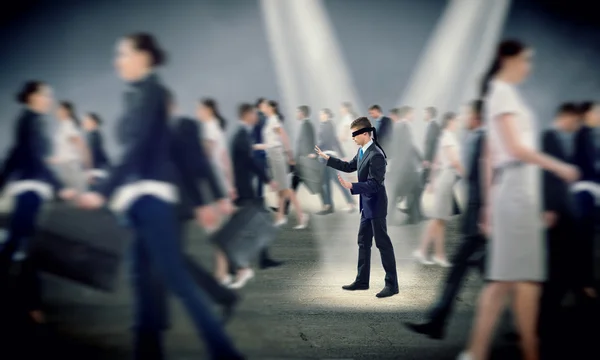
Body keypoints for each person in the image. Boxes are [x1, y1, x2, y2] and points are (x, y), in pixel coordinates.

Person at [76, 32, 244, 360]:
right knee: (142, 278)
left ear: (144, 57)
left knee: (175, 276)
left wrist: (103, 190)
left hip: (155, 200)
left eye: (123, 54)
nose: (117, 61)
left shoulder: (153, 92)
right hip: (139, 201)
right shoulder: (135, 96)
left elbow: (149, 151)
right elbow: (132, 150)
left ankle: (224, 351)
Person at [457, 39, 579, 360]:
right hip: (516, 187)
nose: (529, 66)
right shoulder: (502, 93)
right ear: (507, 59)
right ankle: (517, 350)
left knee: (513, 279)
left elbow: (488, 156)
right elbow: (514, 149)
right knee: (517, 279)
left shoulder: (500, 93)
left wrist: (486, 207)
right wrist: (560, 167)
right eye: (525, 59)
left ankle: (487, 350)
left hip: (514, 187)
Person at [404, 100, 486, 339]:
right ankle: (436, 321)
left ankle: (437, 321)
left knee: (494, 278)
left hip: (481, 220)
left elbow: (483, 177)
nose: (462, 117)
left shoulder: (481, 138)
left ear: (476, 117)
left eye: (466, 113)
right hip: (478, 218)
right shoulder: (468, 137)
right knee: (481, 274)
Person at [0, 81, 76, 326]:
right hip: (31, 189)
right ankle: (32, 304)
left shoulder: (28, 121)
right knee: (25, 246)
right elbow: (33, 158)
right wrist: (60, 186)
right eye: (45, 94)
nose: (49, 99)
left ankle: (30, 303)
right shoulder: (31, 121)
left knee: (19, 245)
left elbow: (15, 155)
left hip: (29, 188)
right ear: (32, 96)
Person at [168, 92, 240, 319]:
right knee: (166, 258)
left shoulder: (187, 127)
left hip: (177, 202)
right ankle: (221, 294)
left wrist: (212, 200)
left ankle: (222, 293)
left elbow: (201, 165)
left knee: (171, 257)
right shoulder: (151, 131)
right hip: (157, 201)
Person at [315, 117, 399, 298]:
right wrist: (328, 159)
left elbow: (375, 184)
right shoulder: (362, 151)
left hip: (376, 206)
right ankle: (362, 281)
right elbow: (349, 166)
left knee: (383, 244)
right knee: (363, 242)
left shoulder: (376, 155)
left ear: (365, 134)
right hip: (366, 206)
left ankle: (392, 285)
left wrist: (352, 186)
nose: (352, 138)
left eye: (355, 134)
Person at [538, 103, 590, 356]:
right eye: (574, 120)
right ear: (565, 117)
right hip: (557, 211)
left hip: (565, 209)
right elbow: (545, 175)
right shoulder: (549, 137)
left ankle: (570, 301)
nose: (575, 124)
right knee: (558, 265)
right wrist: (548, 208)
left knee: (563, 263)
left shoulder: (567, 138)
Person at [231, 103, 282, 277]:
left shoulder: (242, 135)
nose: (256, 116)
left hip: (244, 188)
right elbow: (248, 163)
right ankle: (241, 263)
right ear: (246, 114)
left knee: (253, 225)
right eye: (253, 114)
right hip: (243, 189)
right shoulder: (241, 136)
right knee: (251, 225)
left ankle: (261, 259)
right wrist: (268, 180)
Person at [196, 98, 238, 285]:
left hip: (212, 185)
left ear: (209, 110)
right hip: (218, 184)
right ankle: (224, 271)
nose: (197, 111)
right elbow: (224, 159)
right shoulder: (216, 128)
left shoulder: (209, 128)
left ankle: (223, 273)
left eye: (200, 108)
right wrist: (230, 185)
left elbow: (207, 155)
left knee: (216, 231)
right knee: (217, 230)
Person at [414, 112, 463, 267]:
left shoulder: (446, 136)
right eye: (456, 120)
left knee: (440, 220)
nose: (458, 123)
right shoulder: (448, 137)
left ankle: (439, 255)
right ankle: (422, 251)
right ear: (450, 121)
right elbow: (454, 161)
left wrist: (432, 181)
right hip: (447, 176)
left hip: (445, 177)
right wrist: (468, 174)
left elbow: (436, 161)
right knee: (437, 219)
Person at [254, 100, 308, 229]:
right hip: (272, 155)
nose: (263, 109)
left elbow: (284, 138)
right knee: (281, 189)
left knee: (287, 189)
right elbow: (270, 143)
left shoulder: (274, 120)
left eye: (266, 107)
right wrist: (257, 146)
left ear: (271, 108)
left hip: (278, 156)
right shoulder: (269, 121)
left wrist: (290, 156)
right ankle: (280, 217)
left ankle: (301, 216)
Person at [315, 108, 356, 215]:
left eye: (322, 114)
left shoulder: (327, 126)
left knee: (333, 180)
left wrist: (314, 150)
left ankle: (349, 203)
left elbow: (325, 141)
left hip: (327, 156)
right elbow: (335, 140)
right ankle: (330, 205)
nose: (320, 116)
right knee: (327, 181)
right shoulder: (328, 125)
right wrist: (342, 155)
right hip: (327, 155)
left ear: (327, 115)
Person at [50, 101, 90, 191]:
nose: (56, 111)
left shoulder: (68, 125)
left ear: (66, 111)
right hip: (66, 166)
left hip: (71, 166)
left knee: (78, 194)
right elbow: (66, 148)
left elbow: (81, 146)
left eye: (59, 109)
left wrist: (87, 167)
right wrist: (56, 158)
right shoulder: (63, 126)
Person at [82, 112, 111, 185]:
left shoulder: (93, 136)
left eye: (86, 121)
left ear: (93, 122)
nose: (84, 123)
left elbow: (92, 155)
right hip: (100, 168)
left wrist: (90, 172)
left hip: (97, 169)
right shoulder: (95, 135)